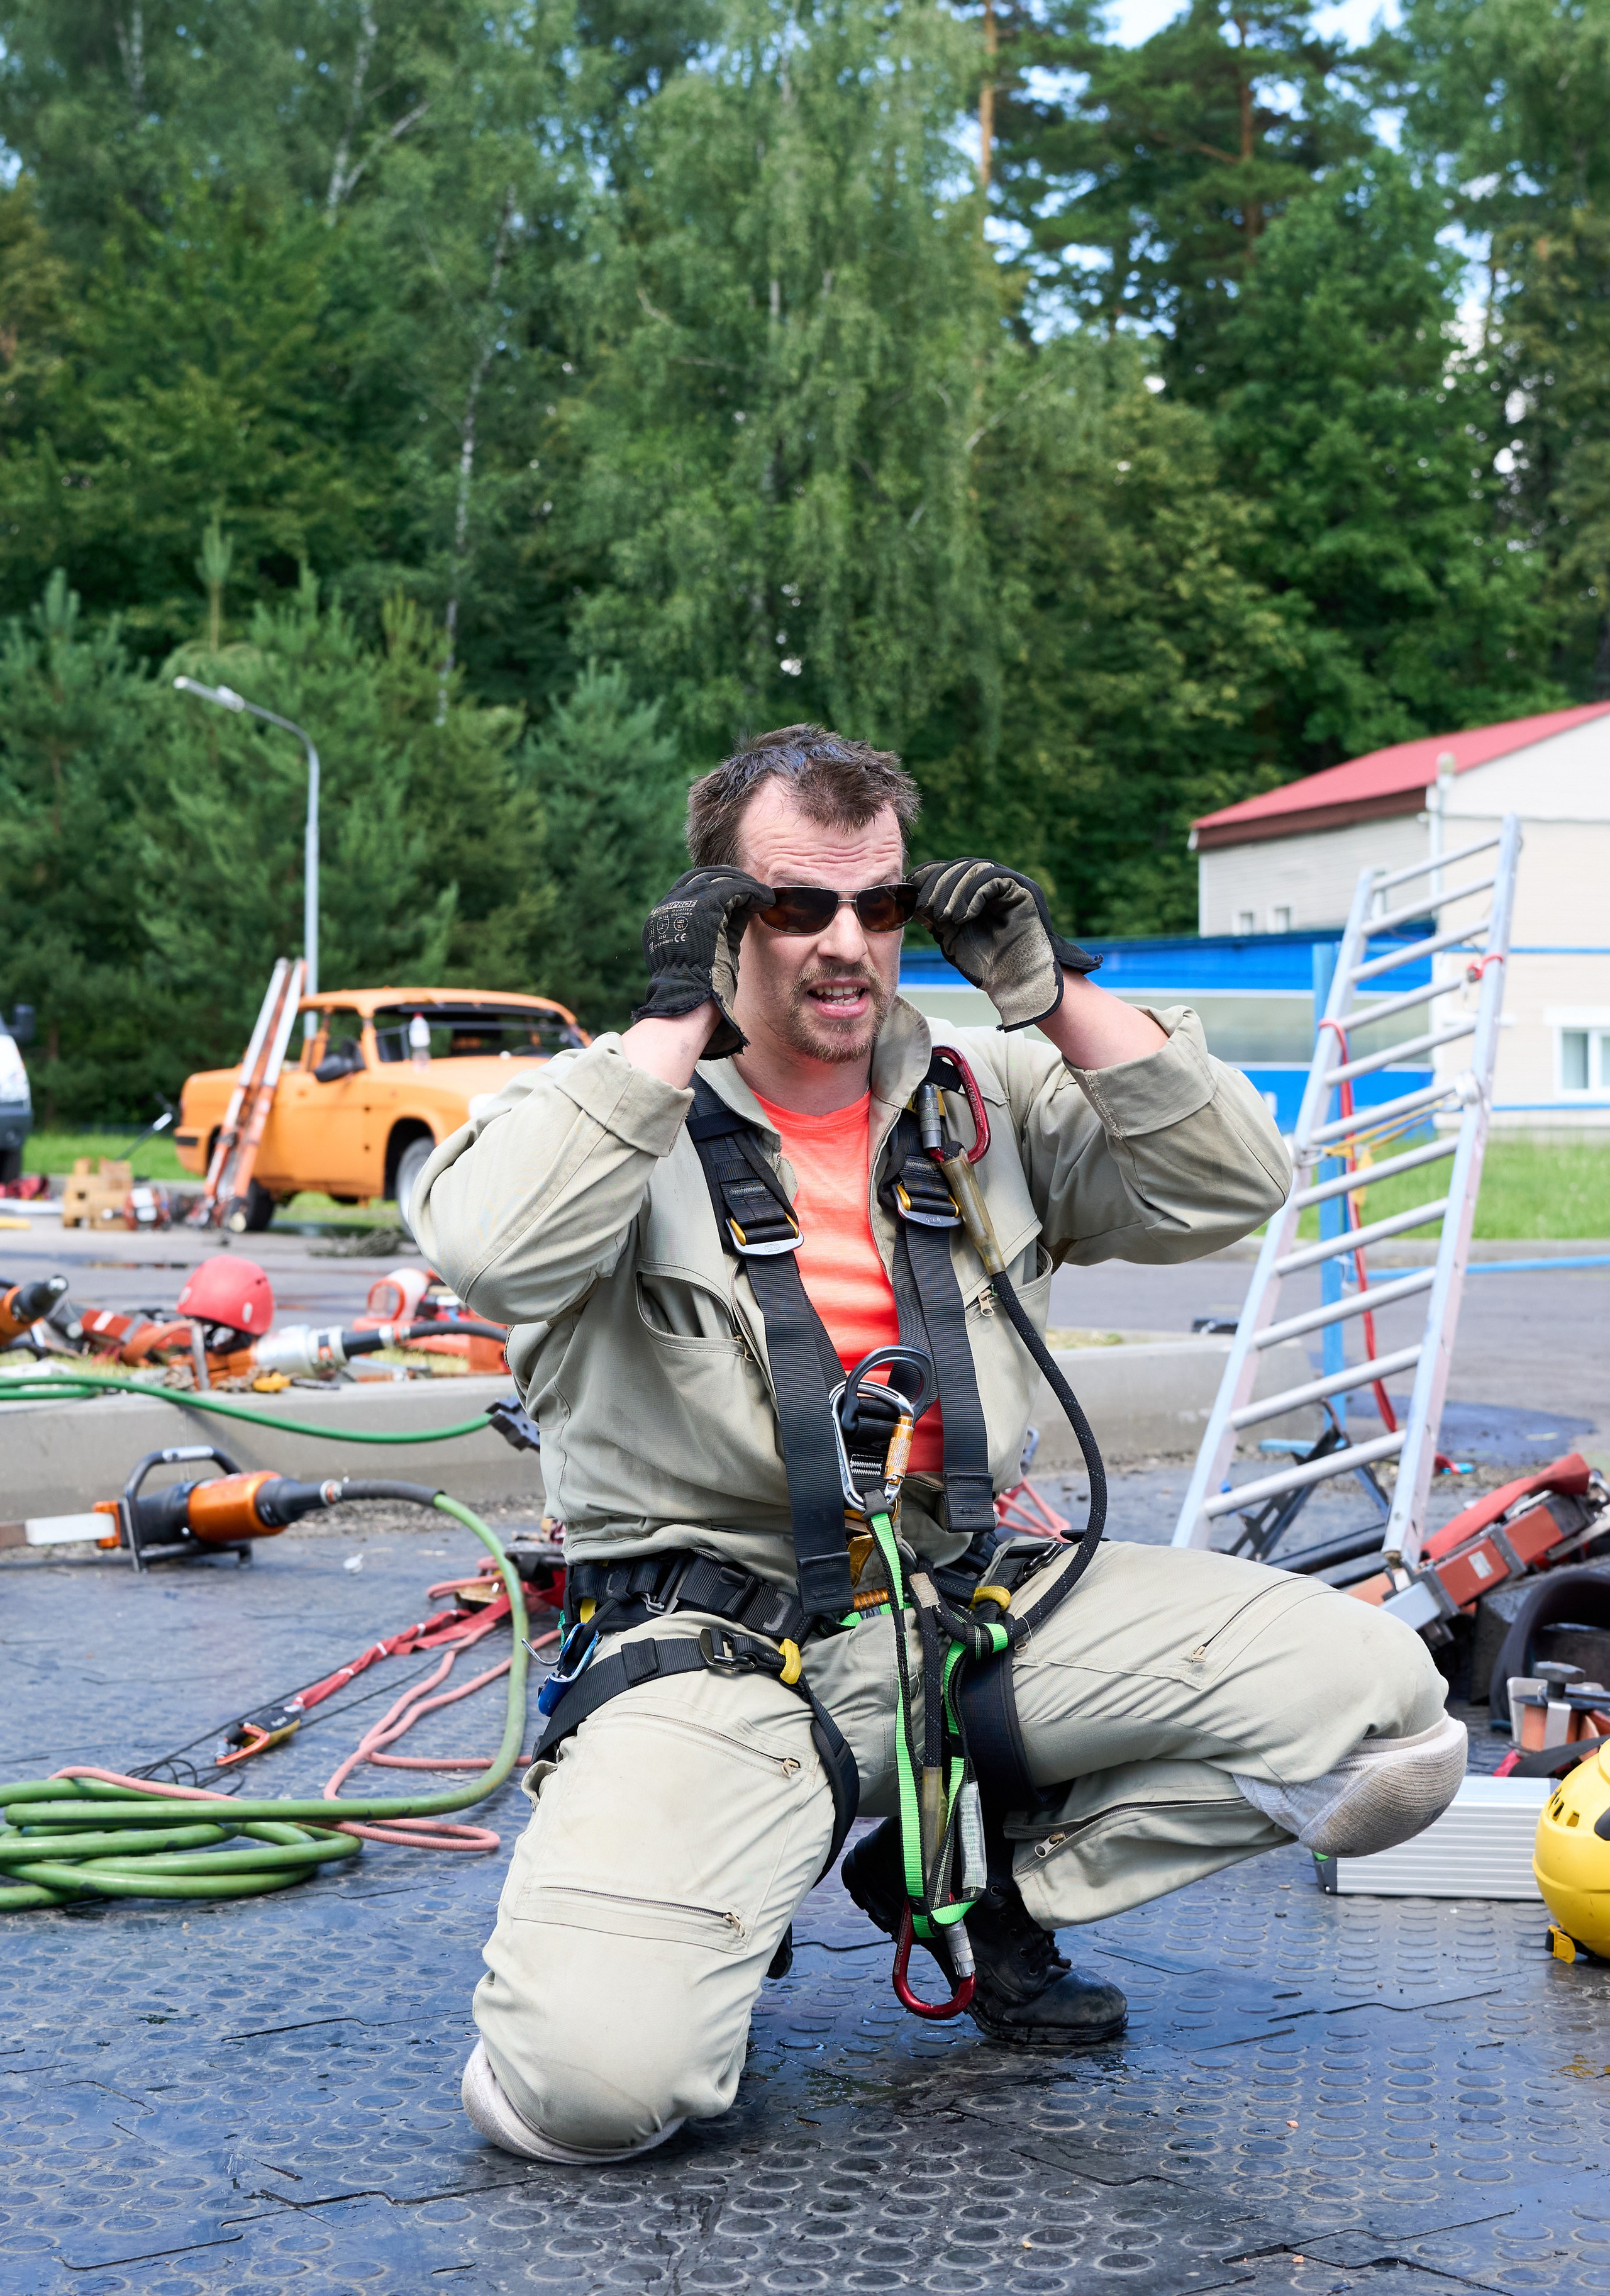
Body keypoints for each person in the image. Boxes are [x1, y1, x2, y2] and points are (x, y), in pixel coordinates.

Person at [414, 726, 1465, 2168]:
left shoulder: (985, 1095)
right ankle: (702, 1883)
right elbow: (485, 1250)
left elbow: (1236, 1182)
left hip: (963, 1609)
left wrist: (1053, 994)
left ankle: (970, 1879)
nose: (844, 945)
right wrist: (672, 1023)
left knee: (1386, 1734)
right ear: (716, 917)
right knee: (589, 2096)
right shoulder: (606, 1112)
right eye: (793, 907)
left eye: (881, 904)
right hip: (715, 1645)